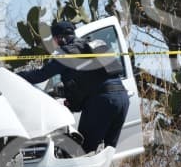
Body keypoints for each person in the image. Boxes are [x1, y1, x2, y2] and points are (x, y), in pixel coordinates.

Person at [17, 21, 129, 154]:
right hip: (123, 99)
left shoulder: (66, 53)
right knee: (108, 152)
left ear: (58, 38)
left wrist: (16, 75)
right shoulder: (92, 45)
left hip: (102, 102)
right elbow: (90, 80)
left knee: (83, 153)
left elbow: (40, 76)